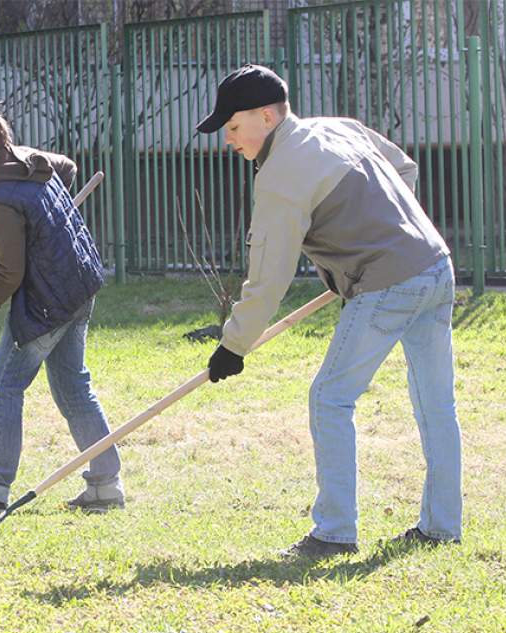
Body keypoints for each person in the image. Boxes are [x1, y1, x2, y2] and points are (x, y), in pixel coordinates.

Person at [196, 65, 462, 558]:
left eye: (233, 127)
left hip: (389, 283)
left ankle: (334, 532)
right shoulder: (337, 127)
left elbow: (268, 277)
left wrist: (233, 345)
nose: (229, 140)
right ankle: (442, 525)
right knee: (435, 403)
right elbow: (405, 170)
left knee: (330, 399)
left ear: (268, 115)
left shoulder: (280, 176)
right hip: (436, 265)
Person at [0, 104, 124, 513]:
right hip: (80, 282)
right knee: (74, 387)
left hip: (49, 300)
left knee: (3, 385)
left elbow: (9, 271)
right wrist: (50, 222)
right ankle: (105, 486)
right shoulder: (32, 162)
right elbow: (68, 167)